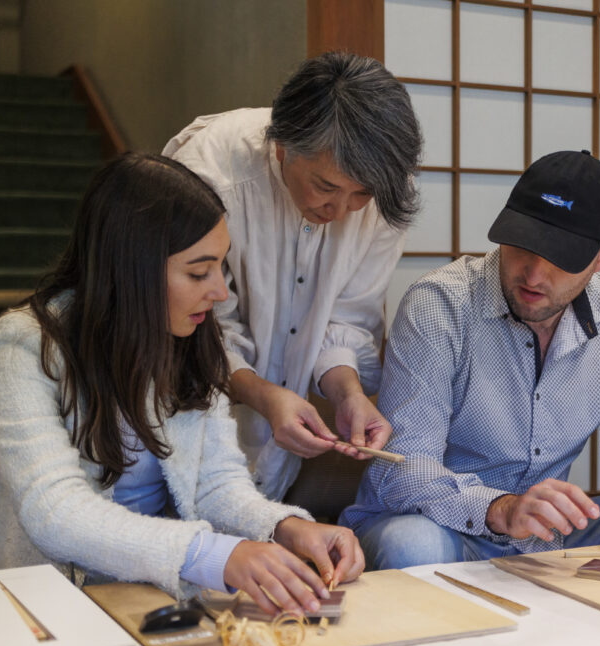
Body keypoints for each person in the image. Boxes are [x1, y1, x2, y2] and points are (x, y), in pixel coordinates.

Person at [0, 152, 364, 615]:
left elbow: (215, 484)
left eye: (221, 267)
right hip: (43, 601)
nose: (220, 292)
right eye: (199, 272)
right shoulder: (22, 347)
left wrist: (286, 528)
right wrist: (213, 554)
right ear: (132, 269)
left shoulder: (190, 337)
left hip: (160, 597)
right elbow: (55, 513)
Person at [340, 150, 600, 570]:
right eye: (523, 244)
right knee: (410, 546)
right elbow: (403, 467)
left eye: (560, 256)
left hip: (545, 535)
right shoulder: (440, 305)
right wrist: (501, 508)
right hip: (442, 526)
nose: (534, 275)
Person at [162, 52, 423, 500]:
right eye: (326, 187)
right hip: (186, 424)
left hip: (279, 460)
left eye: (361, 194)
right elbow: (198, 325)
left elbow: (347, 318)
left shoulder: (386, 192)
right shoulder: (208, 172)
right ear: (282, 146)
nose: (340, 211)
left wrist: (347, 395)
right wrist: (263, 396)